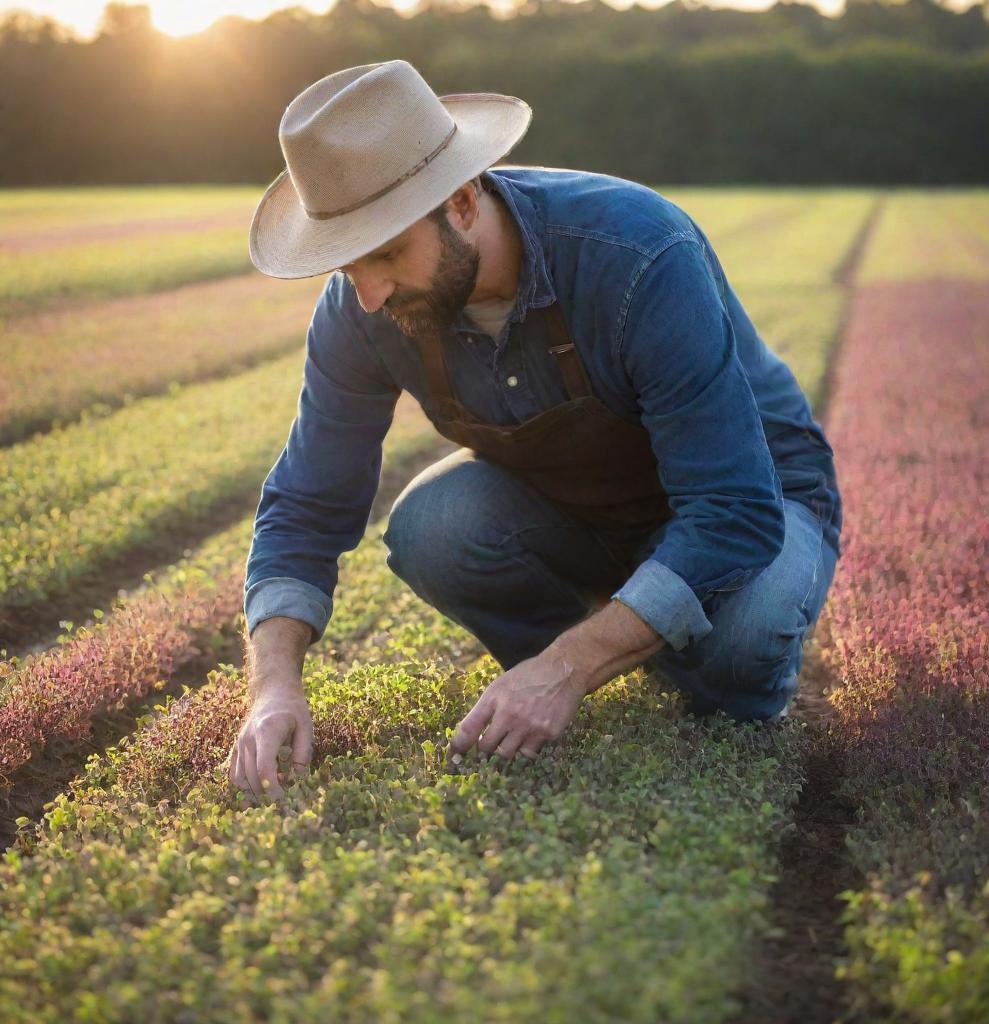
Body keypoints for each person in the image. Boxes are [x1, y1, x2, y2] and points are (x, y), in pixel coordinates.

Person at [228, 60, 843, 801]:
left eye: (388, 254)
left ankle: (622, 654)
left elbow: (733, 508)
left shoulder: (637, 253)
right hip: (577, 512)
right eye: (346, 264)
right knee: (432, 527)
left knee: (740, 653)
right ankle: (629, 639)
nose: (369, 294)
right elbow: (305, 503)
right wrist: (273, 688)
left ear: (460, 203)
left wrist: (569, 664)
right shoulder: (361, 308)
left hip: (754, 505)